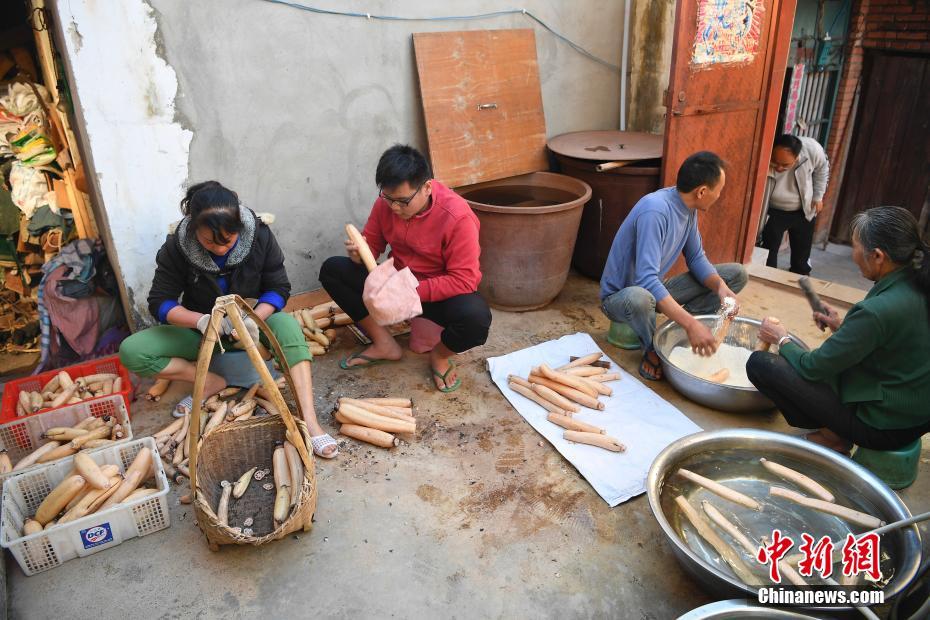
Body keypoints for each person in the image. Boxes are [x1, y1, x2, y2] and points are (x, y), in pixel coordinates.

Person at [119, 181, 338, 458]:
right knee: (132, 351)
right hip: (201, 331)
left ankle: (311, 423)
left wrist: (255, 320)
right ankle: (210, 382)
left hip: (250, 324)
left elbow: (278, 287)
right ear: (193, 225)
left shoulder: (258, 234)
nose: (220, 248)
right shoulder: (177, 246)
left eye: (228, 240)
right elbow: (160, 301)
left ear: (239, 228)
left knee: (288, 327)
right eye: (209, 241)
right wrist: (201, 321)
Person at [748, 206, 930, 454]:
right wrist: (843, 328)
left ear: (878, 256)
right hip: (914, 413)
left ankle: (834, 437)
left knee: (761, 364)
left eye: (855, 247)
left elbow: (813, 367)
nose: (854, 255)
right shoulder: (916, 280)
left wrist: (781, 337)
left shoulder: (877, 310)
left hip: (883, 427)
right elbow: (894, 343)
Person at [319, 144, 492, 393]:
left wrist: (410, 291)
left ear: (427, 187)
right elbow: (372, 247)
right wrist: (358, 253)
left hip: (433, 293)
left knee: (476, 319)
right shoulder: (387, 204)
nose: (394, 208)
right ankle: (383, 343)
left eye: (403, 201)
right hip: (396, 282)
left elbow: (464, 280)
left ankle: (440, 356)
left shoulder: (457, 217)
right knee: (334, 270)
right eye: (388, 199)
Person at [600, 151, 748, 381]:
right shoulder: (655, 210)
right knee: (641, 297)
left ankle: (675, 335)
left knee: (736, 274)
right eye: (719, 189)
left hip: (654, 289)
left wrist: (720, 287)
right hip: (621, 297)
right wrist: (690, 323)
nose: (720, 195)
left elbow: (697, 258)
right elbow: (645, 279)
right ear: (702, 191)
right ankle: (653, 349)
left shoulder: (688, 208)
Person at [759, 133, 830, 275]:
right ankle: (768, 283)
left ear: (797, 158)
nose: (779, 168)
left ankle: (799, 283)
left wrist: (818, 196)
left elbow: (823, 169)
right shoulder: (764, 152)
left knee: (801, 259)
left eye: (785, 165)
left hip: (804, 209)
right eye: (775, 162)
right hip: (773, 210)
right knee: (768, 256)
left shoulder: (812, 149)